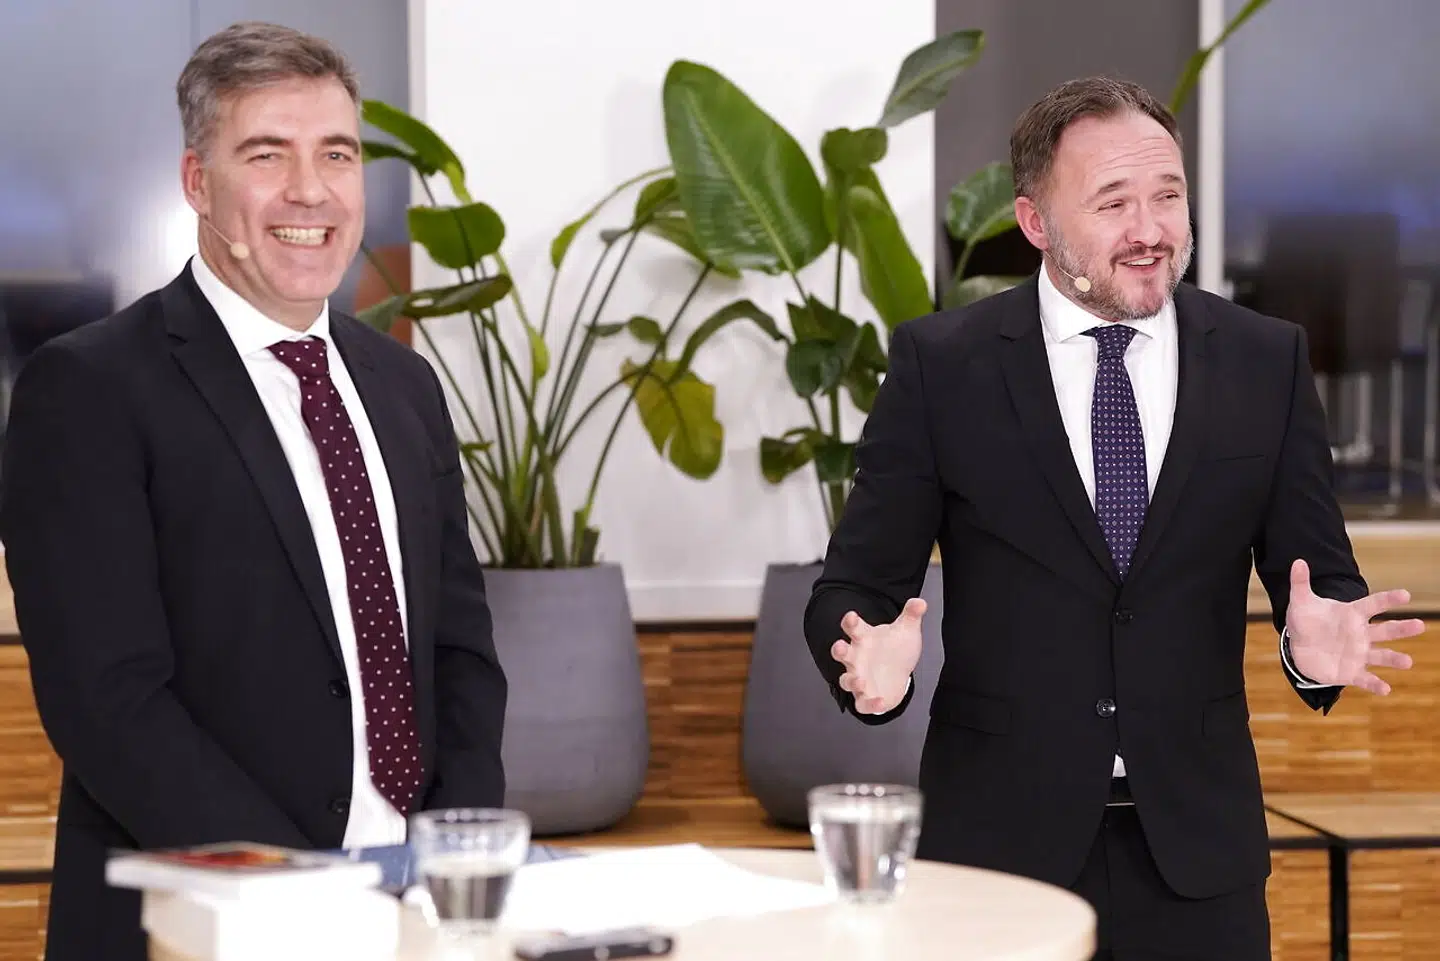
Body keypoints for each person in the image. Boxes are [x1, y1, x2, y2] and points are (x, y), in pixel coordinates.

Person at [804, 76, 1424, 960]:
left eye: (1168, 195)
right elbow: (854, 589)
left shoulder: (1266, 360)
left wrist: (1310, 647)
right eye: (1113, 202)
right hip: (996, 854)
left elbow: (1317, 583)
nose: (1150, 230)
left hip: (1199, 857)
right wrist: (872, 666)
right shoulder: (944, 367)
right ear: (1034, 221)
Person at [0, 22, 507, 961]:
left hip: (419, 912)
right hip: (207, 919)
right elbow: (107, 701)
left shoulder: (404, 385)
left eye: (337, 154)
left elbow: (459, 651)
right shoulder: (89, 389)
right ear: (198, 183)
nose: (310, 190)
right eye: (267, 154)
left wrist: (454, 859)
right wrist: (301, 895)